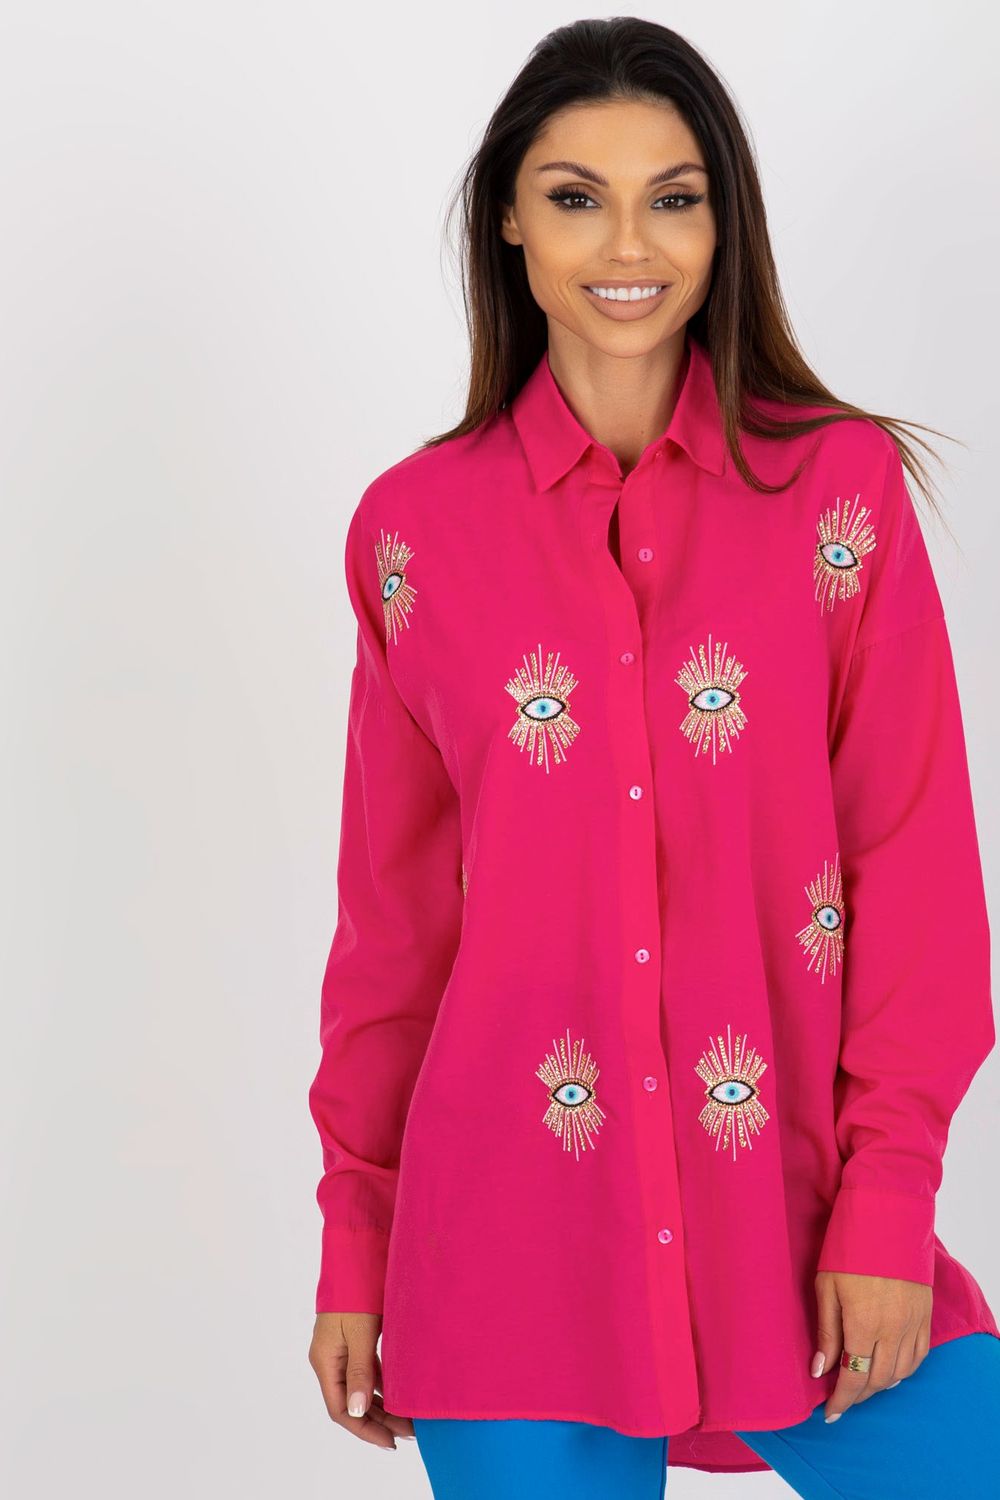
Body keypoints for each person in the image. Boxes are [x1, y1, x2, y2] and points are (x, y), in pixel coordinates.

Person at [306, 17, 1000, 1497]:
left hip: (797, 1229)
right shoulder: (412, 534)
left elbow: (915, 869)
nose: (629, 244)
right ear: (508, 218)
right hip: (508, 1250)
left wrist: (889, 1200)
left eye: (673, 197)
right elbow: (393, 935)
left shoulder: (837, 491)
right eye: (577, 196)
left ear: (721, 219)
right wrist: (355, 1242)